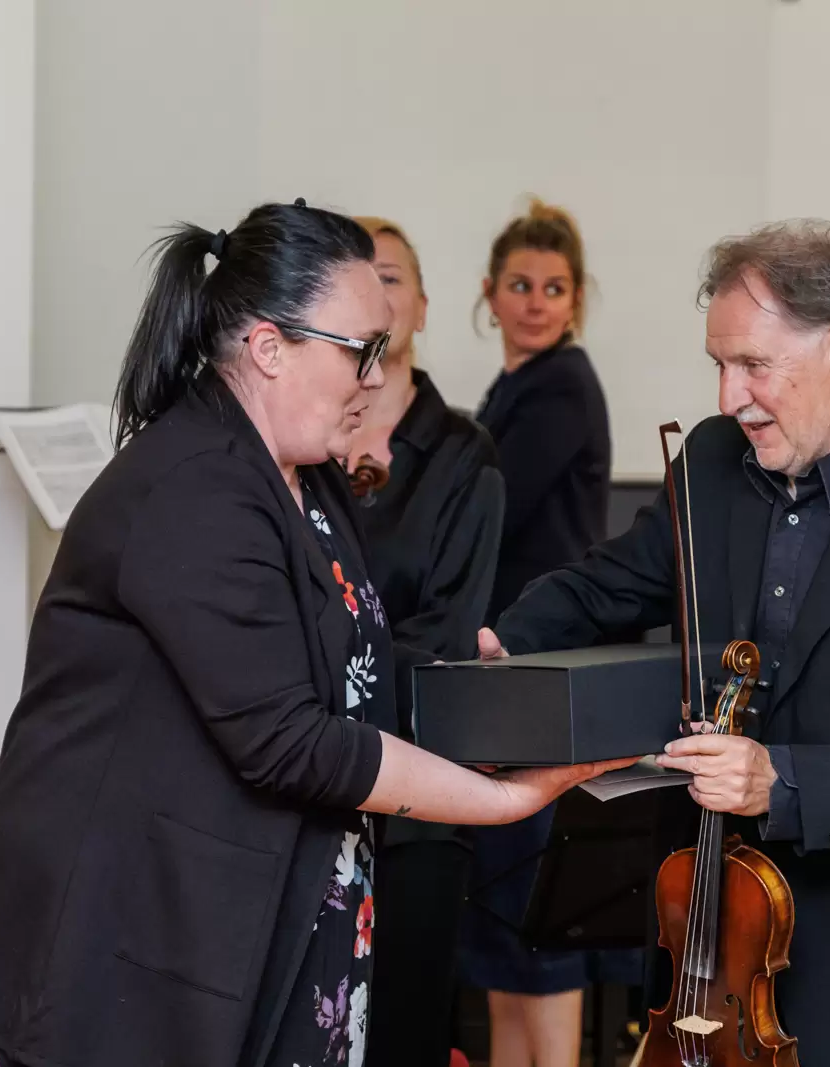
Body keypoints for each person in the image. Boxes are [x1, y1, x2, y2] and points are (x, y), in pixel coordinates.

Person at [0, 200, 629, 1067]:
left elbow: (356, 673)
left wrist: (489, 710)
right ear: (269, 347)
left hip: (248, 920)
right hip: (119, 944)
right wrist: (500, 800)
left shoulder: (306, 477)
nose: (375, 377)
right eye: (359, 350)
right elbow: (289, 738)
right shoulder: (196, 486)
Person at [476, 219, 830, 1064]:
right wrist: (498, 647)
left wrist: (784, 781)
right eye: (719, 365)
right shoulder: (713, 462)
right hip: (715, 945)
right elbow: (609, 584)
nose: (728, 397)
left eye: (753, 364)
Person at [457, 197, 618, 1067]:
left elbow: (492, 507)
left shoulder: (562, 384)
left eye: (554, 287)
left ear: (576, 299)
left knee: (539, 918)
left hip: (544, 676)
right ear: (489, 292)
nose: (535, 302)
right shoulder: (511, 386)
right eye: (520, 284)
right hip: (513, 673)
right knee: (505, 923)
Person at [344, 216, 506, 1067]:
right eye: (360, 275)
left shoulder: (462, 454)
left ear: (423, 305)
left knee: (405, 1036)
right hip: (313, 796)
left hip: (416, 800)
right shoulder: (308, 440)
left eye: (392, 275)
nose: (376, 291)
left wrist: (322, 678)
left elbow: (447, 635)